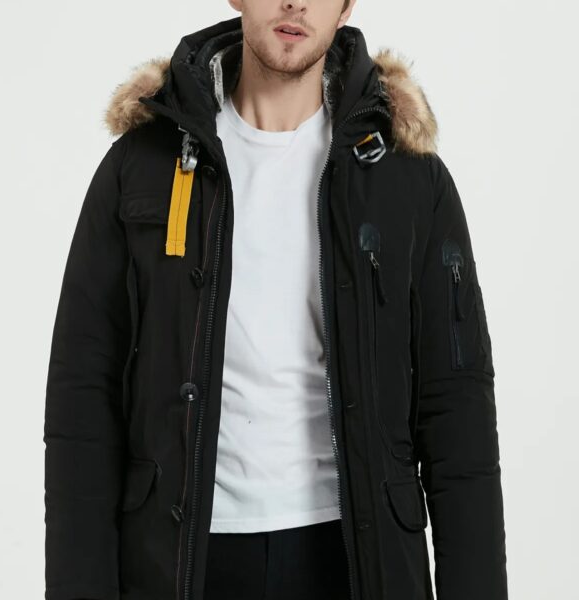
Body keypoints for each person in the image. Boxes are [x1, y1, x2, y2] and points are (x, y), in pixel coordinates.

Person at [43, 1, 508, 599]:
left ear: (346, 6)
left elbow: (458, 412)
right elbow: (82, 396)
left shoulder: (407, 176)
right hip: (182, 558)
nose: (295, 3)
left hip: (354, 555)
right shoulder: (143, 165)